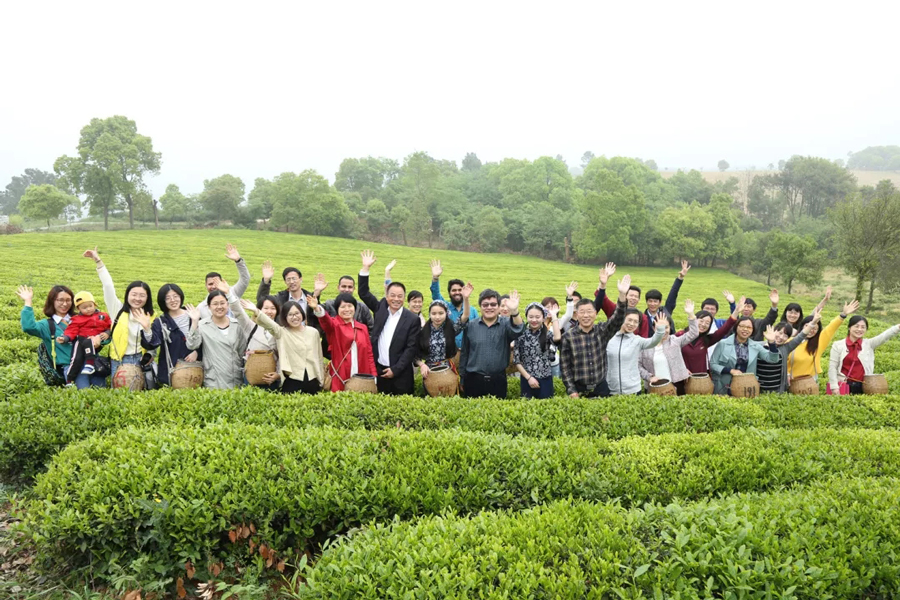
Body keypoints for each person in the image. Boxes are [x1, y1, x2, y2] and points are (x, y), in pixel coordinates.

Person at [357, 250, 421, 395]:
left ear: (404, 298)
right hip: (380, 371)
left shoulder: (412, 319)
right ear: (386, 296)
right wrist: (365, 268)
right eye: (392, 295)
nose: (396, 299)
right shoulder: (381, 308)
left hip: (401, 375)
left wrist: (396, 370)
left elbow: (410, 349)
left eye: (400, 296)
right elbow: (364, 293)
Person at [84, 247, 154, 375]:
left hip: (141, 359)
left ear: (147, 298)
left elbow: (153, 343)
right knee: (119, 392)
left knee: (139, 393)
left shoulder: (151, 316)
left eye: (142, 295)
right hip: (119, 359)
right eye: (134, 294)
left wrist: (148, 328)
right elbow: (108, 286)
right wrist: (98, 261)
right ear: (127, 295)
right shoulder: (117, 310)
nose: (137, 298)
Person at [560, 275, 630, 398]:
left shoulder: (602, 330)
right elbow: (565, 366)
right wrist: (571, 390)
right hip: (579, 388)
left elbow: (618, 318)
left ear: (595, 314)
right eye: (582, 312)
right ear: (576, 314)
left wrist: (622, 295)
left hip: (601, 387)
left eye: (589, 312)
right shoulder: (568, 336)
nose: (586, 315)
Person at [239, 295, 324, 395]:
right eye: (290, 315)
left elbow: (318, 357)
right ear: (285, 318)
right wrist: (256, 311)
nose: (294, 317)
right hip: (292, 379)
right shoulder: (282, 332)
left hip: (312, 378)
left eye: (297, 313)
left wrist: (321, 379)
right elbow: (270, 324)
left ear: (302, 314)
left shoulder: (313, 332)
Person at [459, 288, 525, 398]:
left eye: (493, 304)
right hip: (473, 379)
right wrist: (462, 377)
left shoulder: (506, 324)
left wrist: (514, 311)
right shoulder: (471, 325)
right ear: (480, 307)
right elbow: (465, 352)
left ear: (499, 307)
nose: (489, 307)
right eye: (485, 305)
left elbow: (519, 329)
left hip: (498, 379)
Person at [138, 283, 200, 386]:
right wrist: (147, 329)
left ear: (181, 297)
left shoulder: (193, 315)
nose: (173, 300)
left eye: (175, 296)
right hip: (170, 370)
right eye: (168, 298)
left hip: (194, 371)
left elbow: (203, 342)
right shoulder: (161, 322)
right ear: (163, 301)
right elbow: (153, 342)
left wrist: (197, 352)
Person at [184, 284, 245, 390]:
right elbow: (192, 345)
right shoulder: (203, 325)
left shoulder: (237, 325)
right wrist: (194, 322)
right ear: (209, 307)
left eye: (222, 303)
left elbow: (242, 350)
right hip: (213, 379)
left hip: (235, 377)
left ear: (228, 305)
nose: (219, 307)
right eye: (215, 304)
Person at [313, 292, 377, 391]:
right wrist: (317, 308)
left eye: (350, 306)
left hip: (362, 374)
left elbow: (369, 354)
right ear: (337, 309)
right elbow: (326, 321)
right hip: (341, 374)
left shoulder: (362, 328)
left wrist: (373, 375)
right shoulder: (334, 325)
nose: (347, 309)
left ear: (355, 308)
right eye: (343, 307)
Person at [17, 284, 78, 383]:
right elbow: (28, 327)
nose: (65, 304)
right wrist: (28, 301)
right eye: (60, 300)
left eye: (68, 300)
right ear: (52, 301)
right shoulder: (47, 325)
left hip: (90, 365)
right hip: (69, 368)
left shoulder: (80, 319)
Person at [787, 299, 859, 383]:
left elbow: (831, 328)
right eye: (809, 326)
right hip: (790, 381)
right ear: (802, 327)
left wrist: (843, 315)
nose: (811, 330)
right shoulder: (790, 341)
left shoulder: (819, 342)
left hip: (809, 383)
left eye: (815, 329)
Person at [639, 300, 699, 394]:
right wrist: (649, 377)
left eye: (666, 327)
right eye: (660, 327)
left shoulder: (675, 340)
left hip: (676, 384)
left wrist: (691, 314)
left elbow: (694, 333)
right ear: (654, 328)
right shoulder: (646, 345)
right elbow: (638, 365)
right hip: (654, 386)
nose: (664, 331)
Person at [828, 316, 900, 394]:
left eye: (863, 327)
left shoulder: (869, 344)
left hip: (865, 386)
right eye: (856, 326)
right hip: (844, 385)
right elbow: (832, 367)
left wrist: (897, 327)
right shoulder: (838, 345)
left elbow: (883, 336)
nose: (859, 329)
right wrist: (834, 387)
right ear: (849, 327)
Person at [709, 316, 781, 395]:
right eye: (742, 326)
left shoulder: (755, 346)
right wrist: (730, 370)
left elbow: (773, 359)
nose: (745, 329)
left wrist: (771, 343)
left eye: (749, 327)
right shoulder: (723, 343)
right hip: (724, 386)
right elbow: (712, 364)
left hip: (746, 387)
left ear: (753, 330)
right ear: (736, 327)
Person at [417, 288, 472, 384]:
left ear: (447, 313)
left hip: (448, 370)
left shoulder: (451, 329)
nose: (437, 317)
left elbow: (465, 316)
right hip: (429, 372)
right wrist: (421, 365)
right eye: (434, 314)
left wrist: (466, 298)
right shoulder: (423, 331)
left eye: (441, 313)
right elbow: (414, 355)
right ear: (429, 314)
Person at [607, 310, 667, 396]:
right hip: (612, 389)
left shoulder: (637, 340)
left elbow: (653, 341)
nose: (632, 324)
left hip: (633, 389)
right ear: (622, 319)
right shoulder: (610, 338)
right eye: (629, 320)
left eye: (636, 322)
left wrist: (660, 329)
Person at [57, 291, 111, 384]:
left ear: (94, 304)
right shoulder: (77, 319)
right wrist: (65, 338)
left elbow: (110, 326)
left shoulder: (103, 316)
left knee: (89, 343)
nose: (88, 309)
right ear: (79, 309)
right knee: (76, 360)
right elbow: (71, 330)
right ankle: (70, 380)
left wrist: (107, 333)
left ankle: (89, 365)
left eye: (90, 306)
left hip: (95, 341)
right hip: (81, 341)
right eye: (84, 308)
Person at [678, 299, 742, 376]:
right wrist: (681, 368)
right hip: (680, 377)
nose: (704, 324)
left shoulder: (706, 340)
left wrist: (736, 311)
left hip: (700, 380)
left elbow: (724, 329)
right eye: (701, 321)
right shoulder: (680, 335)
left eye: (707, 323)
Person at [757, 316, 819, 393]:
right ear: (774, 330)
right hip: (758, 390)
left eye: (786, 336)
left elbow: (801, 336)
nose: (781, 337)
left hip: (778, 392)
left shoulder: (786, 348)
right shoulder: (758, 346)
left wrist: (813, 323)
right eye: (780, 333)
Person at [513, 302, 561, 399]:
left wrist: (554, 316)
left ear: (543, 318)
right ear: (526, 317)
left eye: (537, 317)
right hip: (527, 379)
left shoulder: (547, 334)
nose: (534, 320)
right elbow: (517, 361)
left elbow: (557, 337)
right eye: (531, 317)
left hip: (545, 379)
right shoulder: (521, 335)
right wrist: (529, 378)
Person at [233, 294, 281, 389]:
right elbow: (238, 312)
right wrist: (229, 294)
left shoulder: (280, 330)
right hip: (251, 373)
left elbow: (283, 355)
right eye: (266, 308)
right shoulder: (251, 326)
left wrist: (278, 374)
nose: (269, 311)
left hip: (271, 375)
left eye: (273, 308)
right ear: (259, 310)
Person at [429, 259, 479, 347]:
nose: (457, 292)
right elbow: (436, 294)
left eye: (460, 290)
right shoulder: (444, 307)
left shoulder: (472, 311)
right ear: (449, 293)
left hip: (467, 352)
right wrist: (435, 278)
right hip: (448, 351)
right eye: (454, 290)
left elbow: (478, 330)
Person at [197, 244, 251, 319]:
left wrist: (238, 261)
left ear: (222, 282)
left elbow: (245, 279)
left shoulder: (233, 292)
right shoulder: (202, 307)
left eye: (216, 283)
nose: (213, 286)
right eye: (210, 284)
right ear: (206, 285)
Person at [594, 263, 649, 337]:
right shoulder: (614, 308)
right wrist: (604, 281)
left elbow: (644, 338)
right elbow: (600, 296)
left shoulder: (642, 317)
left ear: (639, 300)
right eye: (631, 295)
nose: (633, 298)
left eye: (636, 296)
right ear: (625, 296)